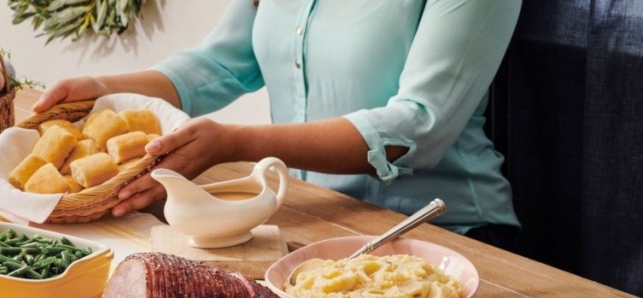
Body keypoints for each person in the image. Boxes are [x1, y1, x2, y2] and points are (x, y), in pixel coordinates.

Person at [33, 0, 523, 251]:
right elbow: (221, 64)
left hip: (446, 234)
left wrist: (235, 145)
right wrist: (100, 88)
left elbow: (418, 127)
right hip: (311, 222)